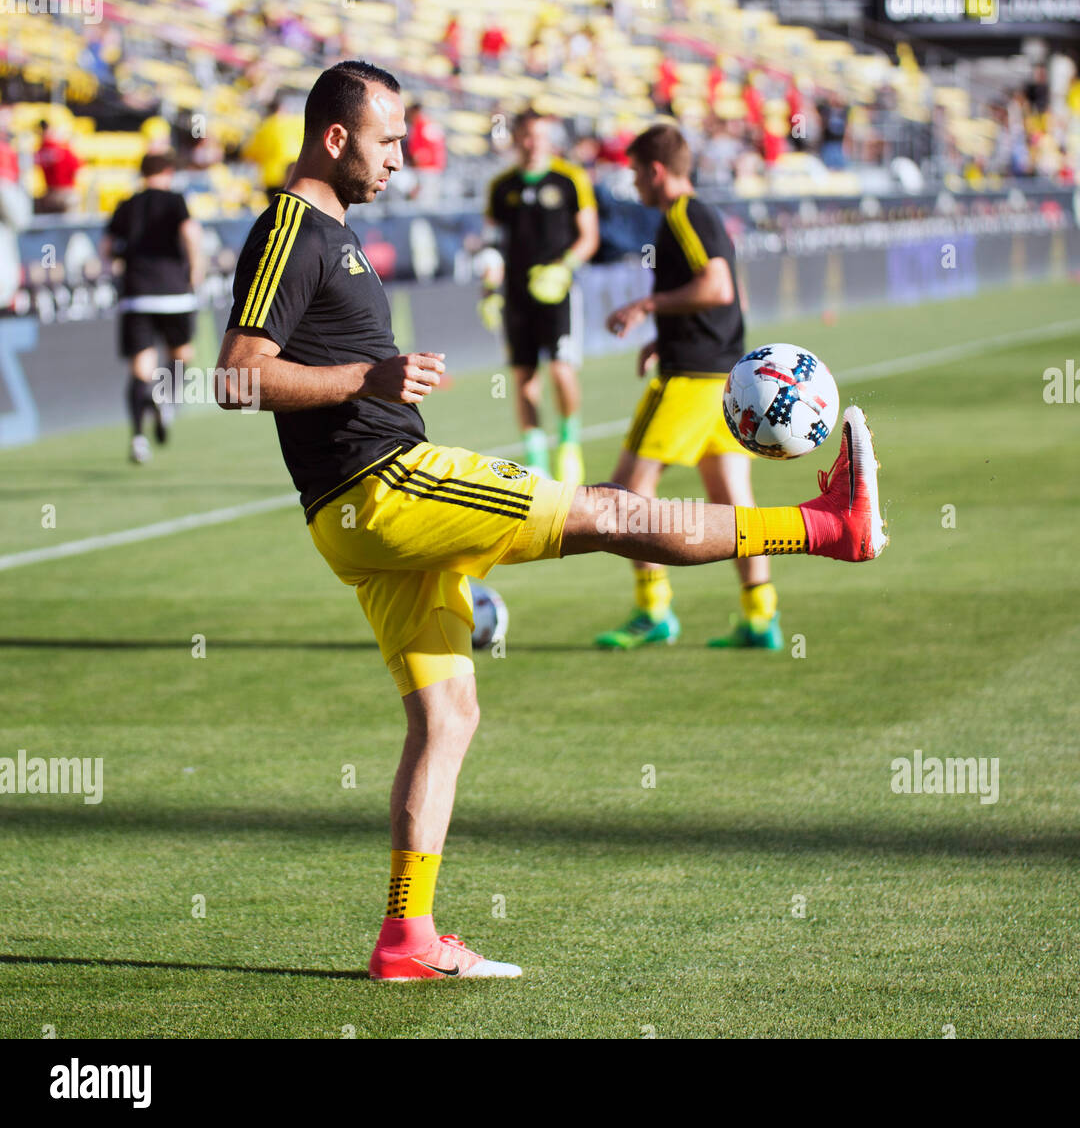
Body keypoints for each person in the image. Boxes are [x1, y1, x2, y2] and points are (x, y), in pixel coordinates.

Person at [214, 60, 888, 982]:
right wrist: (363, 380)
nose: (402, 161)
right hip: (382, 485)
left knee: (448, 714)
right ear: (335, 138)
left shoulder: (336, 232)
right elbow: (237, 375)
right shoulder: (291, 229)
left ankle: (406, 939)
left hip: (358, 513)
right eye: (387, 141)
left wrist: (368, 377)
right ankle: (826, 528)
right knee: (610, 509)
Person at [597, 123, 782, 650]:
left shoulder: (683, 215)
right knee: (735, 506)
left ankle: (654, 610)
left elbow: (717, 286)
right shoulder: (701, 215)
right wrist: (669, 335)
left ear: (656, 170)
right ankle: (760, 617)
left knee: (623, 496)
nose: (634, 183)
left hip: (692, 383)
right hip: (724, 377)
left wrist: (648, 306)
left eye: (635, 172)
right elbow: (727, 289)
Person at [480, 109, 598, 484]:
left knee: (562, 370)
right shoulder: (501, 186)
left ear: (550, 139)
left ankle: (569, 443)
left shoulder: (570, 179)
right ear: (516, 138)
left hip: (557, 293)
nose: (532, 143)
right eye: (526, 135)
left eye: (539, 135)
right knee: (524, 378)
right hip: (516, 296)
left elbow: (589, 237)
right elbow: (492, 243)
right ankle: (537, 460)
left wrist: (564, 267)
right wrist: (489, 287)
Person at [102, 151, 205, 464]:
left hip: (137, 295)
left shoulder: (126, 205)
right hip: (174, 292)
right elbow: (190, 234)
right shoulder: (175, 201)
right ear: (168, 172)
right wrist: (195, 270)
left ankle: (137, 438)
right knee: (182, 354)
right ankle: (167, 403)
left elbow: (106, 247)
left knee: (141, 368)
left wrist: (119, 269)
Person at [33, 120, 82, 214]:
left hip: (49, 194)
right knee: (71, 225)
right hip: (66, 194)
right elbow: (77, 172)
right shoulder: (64, 149)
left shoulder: (41, 150)